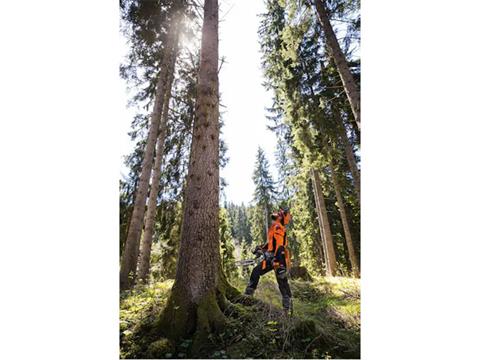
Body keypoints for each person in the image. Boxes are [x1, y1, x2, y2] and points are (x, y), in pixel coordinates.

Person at [244, 208, 292, 313]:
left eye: (275, 218)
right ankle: (248, 296)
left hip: (279, 261)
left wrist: (279, 263)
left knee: (282, 282)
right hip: (271, 259)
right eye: (273, 218)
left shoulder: (279, 228)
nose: (273, 220)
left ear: (280, 218)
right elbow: (270, 245)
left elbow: (279, 247)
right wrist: (260, 248)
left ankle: (287, 309)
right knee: (256, 271)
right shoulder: (274, 228)